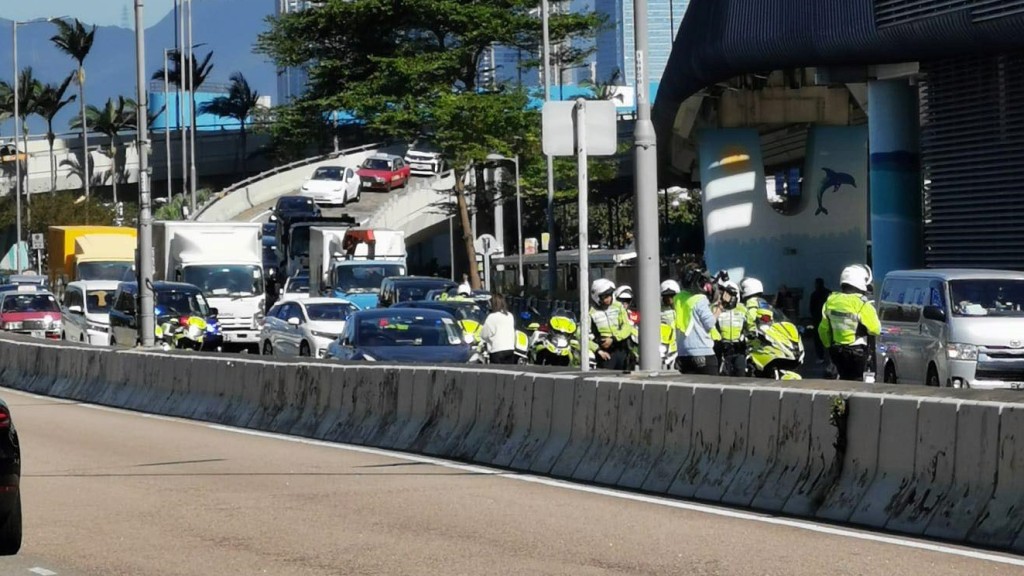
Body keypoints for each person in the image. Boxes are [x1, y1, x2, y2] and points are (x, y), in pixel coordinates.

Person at [819, 264, 881, 381]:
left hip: (836, 351)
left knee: (843, 381)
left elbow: (823, 330)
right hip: (857, 351)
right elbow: (875, 329)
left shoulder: (830, 301)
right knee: (857, 383)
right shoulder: (862, 303)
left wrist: (829, 345)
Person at [673, 266, 720, 375]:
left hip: (683, 353)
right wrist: (719, 309)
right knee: (711, 385)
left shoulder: (679, 298)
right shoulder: (699, 299)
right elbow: (709, 323)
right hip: (702, 351)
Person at [587, 278, 633, 370]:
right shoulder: (590, 312)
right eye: (604, 296)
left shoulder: (618, 306)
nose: (608, 298)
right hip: (604, 354)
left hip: (621, 348)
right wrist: (598, 350)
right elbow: (581, 335)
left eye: (609, 295)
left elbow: (627, 327)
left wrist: (614, 338)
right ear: (597, 297)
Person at [714, 280, 747, 376]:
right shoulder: (716, 308)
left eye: (729, 294)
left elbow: (749, 325)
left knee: (741, 373)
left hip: (738, 347)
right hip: (721, 347)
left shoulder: (743, 309)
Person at [480, 293, 517, 364]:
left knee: (497, 370)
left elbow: (484, 335)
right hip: (510, 348)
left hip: (497, 350)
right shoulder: (510, 316)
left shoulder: (492, 317)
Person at [809, 277, 830, 363]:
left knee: (818, 339)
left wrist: (813, 316)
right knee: (830, 337)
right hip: (828, 318)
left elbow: (811, 308)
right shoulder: (829, 293)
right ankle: (831, 357)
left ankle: (820, 357)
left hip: (817, 318)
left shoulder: (814, 294)